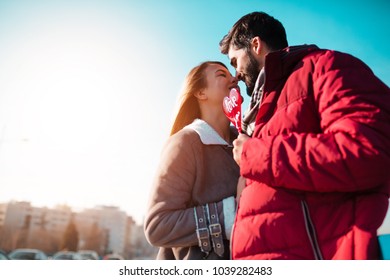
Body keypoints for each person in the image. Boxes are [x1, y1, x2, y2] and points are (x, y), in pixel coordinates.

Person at [219, 11, 390, 260]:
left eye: (235, 61)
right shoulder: (263, 109)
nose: (235, 74)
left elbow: (367, 150)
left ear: (255, 45)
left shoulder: (326, 66)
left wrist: (253, 153)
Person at [144, 61, 241, 259]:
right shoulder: (185, 142)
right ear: (200, 93)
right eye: (222, 75)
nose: (234, 78)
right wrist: (234, 212)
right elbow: (158, 225)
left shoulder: (245, 141)